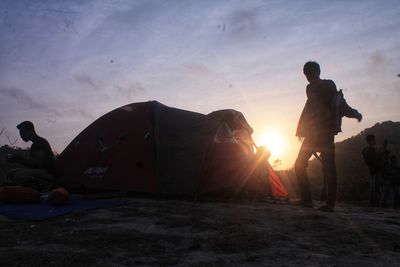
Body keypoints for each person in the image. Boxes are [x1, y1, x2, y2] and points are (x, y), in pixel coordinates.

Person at [295, 61, 362, 211]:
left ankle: (330, 204)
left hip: (325, 133)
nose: (309, 77)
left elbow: (339, 104)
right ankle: (306, 200)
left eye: (311, 74)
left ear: (318, 72)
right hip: (312, 134)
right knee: (299, 165)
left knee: (328, 168)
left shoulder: (328, 85)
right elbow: (309, 109)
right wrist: (302, 129)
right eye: (306, 75)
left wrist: (354, 113)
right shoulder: (309, 88)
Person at [2, 121, 55, 192]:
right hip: (41, 171)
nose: (21, 136)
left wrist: (19, 157)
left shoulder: (40, 142)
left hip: (48, 172)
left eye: (22, 133)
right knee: (11, 172)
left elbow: (38, 163)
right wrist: (16, 160)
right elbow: (32, 165)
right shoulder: (34, 145)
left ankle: (38, 188)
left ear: (31, 131)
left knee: (15, 174)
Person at [361, 134, 381, 206]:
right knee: (376, 186)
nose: (375, 141)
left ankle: (373, 202)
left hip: (373, 170)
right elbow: (374, 159)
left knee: (373, 186)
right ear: (370, 141)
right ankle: (375, 202)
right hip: (375, 169)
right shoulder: (369, 150)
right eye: (374, 139)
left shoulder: (368, 150)